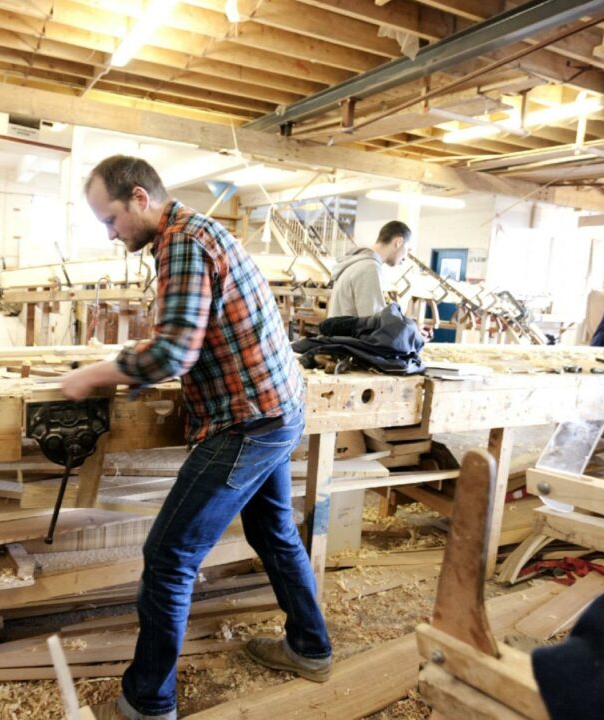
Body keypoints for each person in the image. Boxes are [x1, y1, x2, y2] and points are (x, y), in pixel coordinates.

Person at [60, 155, 332, 720]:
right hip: (276, 410)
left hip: (247, 420)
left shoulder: (181, 242)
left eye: (110, 220)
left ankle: (148, 703)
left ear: (139, 198)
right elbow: (190, 340)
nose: (111, 235)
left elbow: (173, 352)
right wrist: (133, 365)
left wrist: (93, 375)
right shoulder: (199, 233)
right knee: (274, 531)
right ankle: (310, 647)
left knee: (168, 555)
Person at [327, 220, 410, 318]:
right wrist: (411, 330)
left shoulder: (357, 263)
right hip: (349, 334)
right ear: (398, 242)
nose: (405, 257)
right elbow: (375, 323)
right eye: (408, 250)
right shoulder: (369, 268)